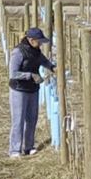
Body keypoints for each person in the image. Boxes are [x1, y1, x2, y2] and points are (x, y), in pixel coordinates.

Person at [9, 27, 56, 158]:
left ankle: (28, 147)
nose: (41, 44)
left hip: (33, 89)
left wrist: (52, 67)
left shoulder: (36, 51)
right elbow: (13, 73)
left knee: (32, 119)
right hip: (19, 89)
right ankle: (14, 150)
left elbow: (44, 61)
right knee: (18, 119)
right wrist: (30, 75)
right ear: (31, 40)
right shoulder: (18, 52)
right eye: (39, 41)